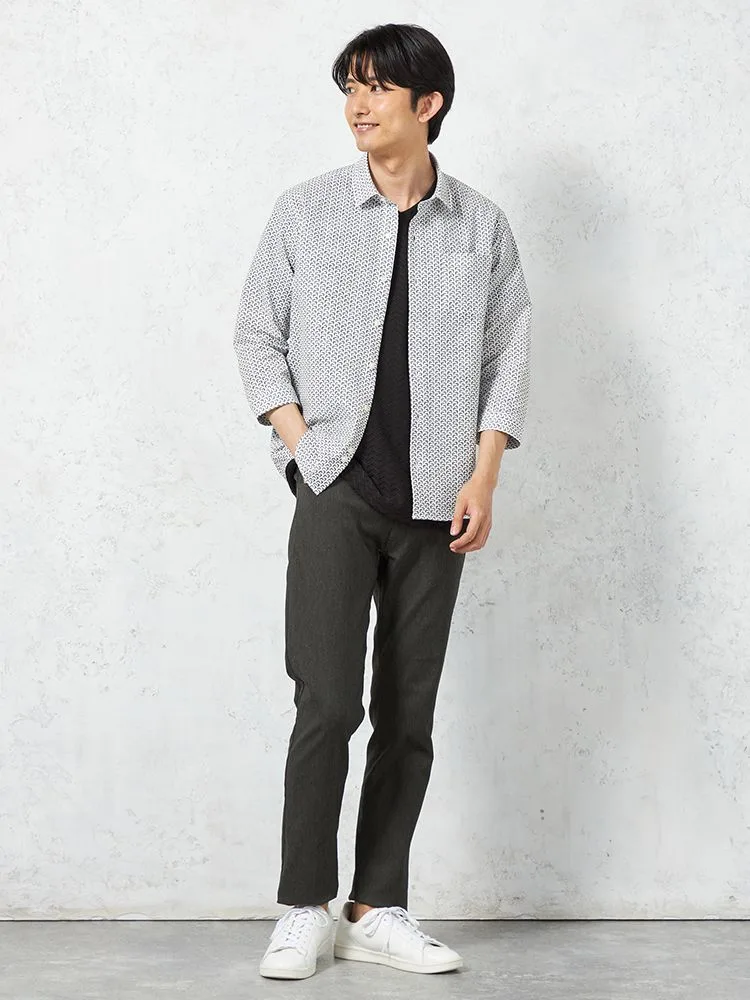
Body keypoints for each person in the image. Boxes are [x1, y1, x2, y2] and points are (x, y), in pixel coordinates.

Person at [233, 21, 532, 981]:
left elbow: (508, 354)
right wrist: (303, 447)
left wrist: (484, 474)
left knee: (409, 713)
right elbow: (256, 336)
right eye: (349, 88)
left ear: (427, 104)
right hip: (335, 489)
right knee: (326, 703)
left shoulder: (480, 226)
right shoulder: (307, 211)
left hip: (439, 499)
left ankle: (377, 906)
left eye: (376, 88)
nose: (358, 105)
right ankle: (304, 907)